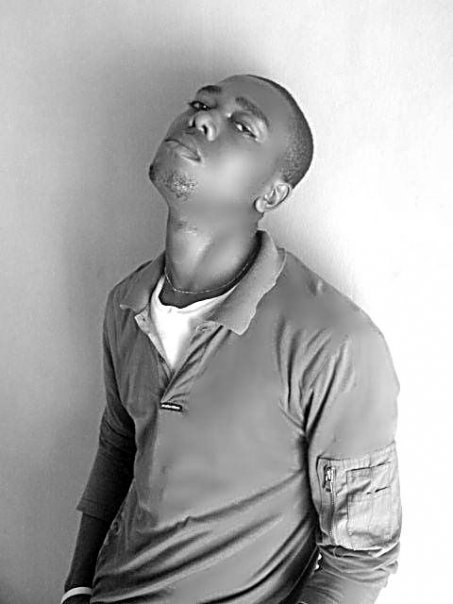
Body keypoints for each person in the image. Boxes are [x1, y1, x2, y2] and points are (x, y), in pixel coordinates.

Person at [61, 74, 402, 604]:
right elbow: (118, 445)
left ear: (272, 192)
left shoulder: (335, 342)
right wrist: (76, 586)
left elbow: (359, 558)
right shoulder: (126, 304)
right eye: (201, 103)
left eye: (242, 126)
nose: (201, 119)